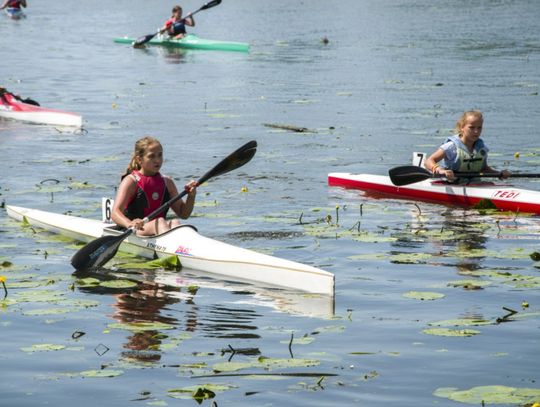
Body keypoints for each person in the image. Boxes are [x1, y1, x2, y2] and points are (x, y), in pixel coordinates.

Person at [111, 136, 197, 236]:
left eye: (160, 155)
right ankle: (171, 248)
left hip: (159, 229)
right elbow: (115, 213)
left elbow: (184, 214)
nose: (157, 160)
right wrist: (130, 224)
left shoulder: (167, 182)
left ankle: (178, 249)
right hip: (134, 229)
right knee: (160, 221)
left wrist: (191, 196)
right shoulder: (131, 181)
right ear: (139, 159)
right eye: (152, 156)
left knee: (175, 222)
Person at [424, 110, 510, 182]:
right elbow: (428, 161)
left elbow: (483, 169)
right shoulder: (451, 147)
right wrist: (440, 170)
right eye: (472, 128)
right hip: (452, 183)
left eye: (479, 128)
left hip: (474, 185)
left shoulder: (482, 148)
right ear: (462, 127)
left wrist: (499, 174)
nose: (476, 131)